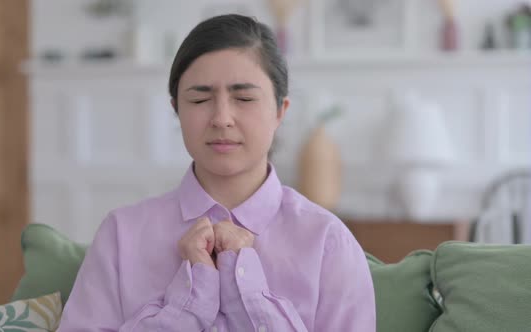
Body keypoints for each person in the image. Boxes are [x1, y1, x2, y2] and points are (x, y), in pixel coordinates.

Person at [57, 14, 375, 332]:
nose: (222, 118)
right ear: (176, 110)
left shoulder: (328, 242)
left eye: (244, 98)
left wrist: (249, 292)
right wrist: (189, 303)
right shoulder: (120, 235)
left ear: (280, 111)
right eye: (200, 99)